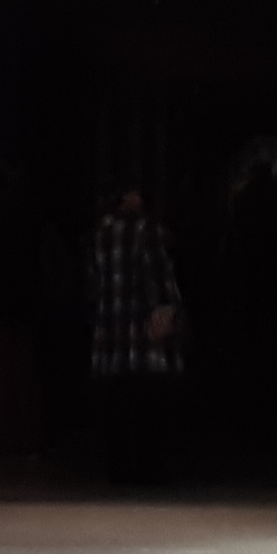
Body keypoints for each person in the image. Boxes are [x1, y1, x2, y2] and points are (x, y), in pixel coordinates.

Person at [85, 185, 186, 487]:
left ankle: (119, 468)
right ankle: (149, 468)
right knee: (148, 404)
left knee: (117, 403)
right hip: (143, 334)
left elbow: (93, 283)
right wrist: (173, 313)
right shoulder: (149, 231)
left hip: (109, 331)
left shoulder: (100, 233)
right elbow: (162, 280)